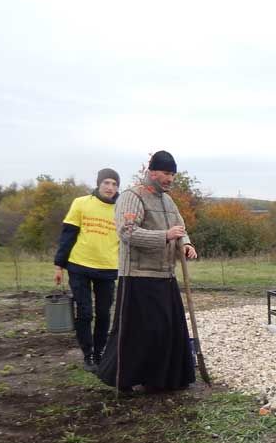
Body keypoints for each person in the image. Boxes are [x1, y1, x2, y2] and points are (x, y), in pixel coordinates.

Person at [96, 150, 199, 393]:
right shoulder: (133, 196)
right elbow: (127, 232)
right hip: (137, 276)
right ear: (151, 172)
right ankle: (126, 380)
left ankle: (162, 380)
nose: (169, 178)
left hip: (165, 275)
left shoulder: (167, 200)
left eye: (172, 174)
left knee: (167, 330)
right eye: (165, 173)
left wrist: (186, 244)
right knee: (140, 334)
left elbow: (179, 228)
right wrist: (164, 236)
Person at [52, 168, 120, 371]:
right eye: (107, 183)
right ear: (99, 184)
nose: (110, 187)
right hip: (79, 265)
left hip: (108, 268)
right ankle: (88, 354)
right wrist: (59, 265)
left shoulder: (121, 210)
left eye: (115, 184)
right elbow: (68, 235)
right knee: (85, 312)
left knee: (103, 313)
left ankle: (100, 352)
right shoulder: (81, 203)